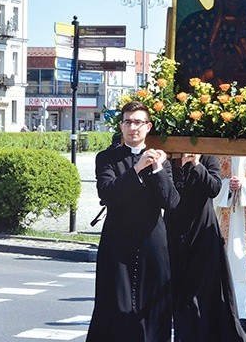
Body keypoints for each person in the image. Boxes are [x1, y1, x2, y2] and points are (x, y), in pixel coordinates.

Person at [86, 101, 180, 342]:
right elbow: (108, 193)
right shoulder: (107, 158)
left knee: (153, 306)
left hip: (152, 241)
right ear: (121, 126)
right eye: (128, 122)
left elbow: (170, 201)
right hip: (118, 240)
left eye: (138, 122)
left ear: (148, 127)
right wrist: (137, 168)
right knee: (116, 305)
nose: (133, 128)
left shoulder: (161, 161)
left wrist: (157, 169)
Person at [165, 154, 246, 342]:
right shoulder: (170, 160)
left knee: (203, 288)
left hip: (202, 229)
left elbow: (214, 188)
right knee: (179, 289)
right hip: (175, 229)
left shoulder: (208, 160)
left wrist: (196, 164)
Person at [213, 155, 246, 320]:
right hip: (227, 216)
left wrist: (245, 185)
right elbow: (212, 184)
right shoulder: (220, 154)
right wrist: (227, 186)